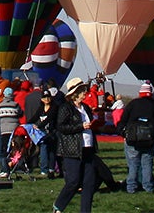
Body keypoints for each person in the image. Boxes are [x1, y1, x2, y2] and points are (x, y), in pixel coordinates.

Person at [49, 77, 99, 213]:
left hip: (88, 148)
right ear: (75, 93)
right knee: (73, 182)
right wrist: (80, 126)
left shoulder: (86, 108)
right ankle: (58, 207)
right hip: (72, 149)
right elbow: (61, 127)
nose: (85, 93)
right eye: (82, 90)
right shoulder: (66, 108)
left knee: (89, 183)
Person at [118, 81, 154, 194]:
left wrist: (123, 133)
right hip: (149, 140)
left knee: (133, 164)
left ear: (140, 93)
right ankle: (148, 187)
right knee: (147, 164)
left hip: (133, 140)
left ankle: (131, 187)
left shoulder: (133, 104)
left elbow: (122, 120)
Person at [0, 89, 22, 179]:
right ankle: (14, 165)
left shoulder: (0, 105)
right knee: (14, 149)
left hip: (4, 130)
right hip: (14, 130)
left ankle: (4, 169)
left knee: (4, 149)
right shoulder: (15, 105)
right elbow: (20, 113)